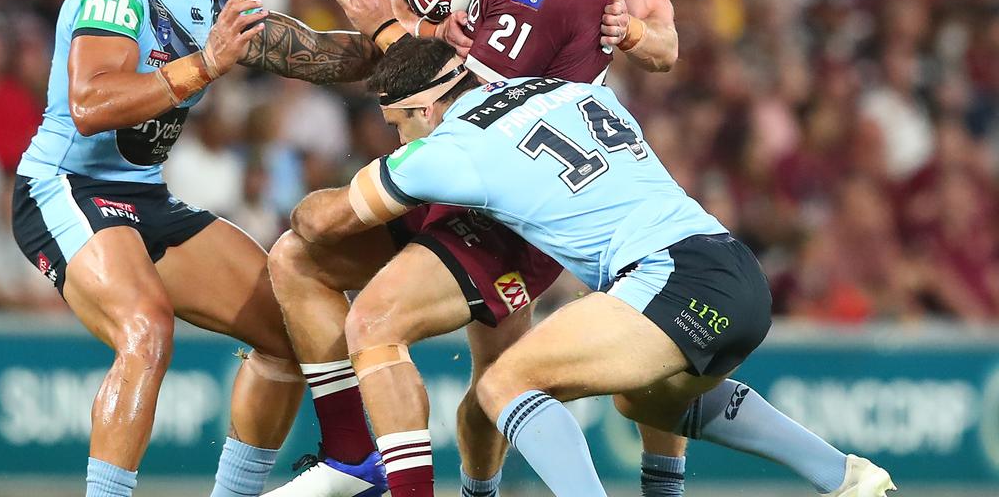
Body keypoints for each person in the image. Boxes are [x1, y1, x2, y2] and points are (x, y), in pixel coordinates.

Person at [290, 36, 897, 497]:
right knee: (646, 401)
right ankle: (848, 477)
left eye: (399, 126)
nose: (401, 143)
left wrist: (307, 204)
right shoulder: (565, 88)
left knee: (505, 382)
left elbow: (323, 223)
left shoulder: (449, 148)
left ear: (423, 109)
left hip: (669, 277)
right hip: (730, 268)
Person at [11, 0, 382, 497]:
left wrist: (403, 29)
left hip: (143, 199)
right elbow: (92, 106)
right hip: (65, 189)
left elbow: (324, 59)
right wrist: (205, 65)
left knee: (294, 330)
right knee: (146, 328)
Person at [267, 0, 615, 497]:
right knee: (295, 259)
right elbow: (433, 32)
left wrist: (383, 24)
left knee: (378, 322)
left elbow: (458, 106)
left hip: (510, 213)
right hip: (457, 185)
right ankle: (350, 455)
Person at [382, 0, 691, 497]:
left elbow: (666, 44)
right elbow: (386, 14)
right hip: (481, 157)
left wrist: (634, 31)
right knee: (497, 371)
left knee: (665, 344)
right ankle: (476, 491)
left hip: (582, 163)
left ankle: (662, 490)